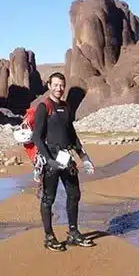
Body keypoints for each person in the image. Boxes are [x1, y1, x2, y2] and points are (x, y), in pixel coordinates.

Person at [31, 72, 96, 251]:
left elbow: (71, 133)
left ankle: (73, 232)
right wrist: (49, 161)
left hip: (66, 158)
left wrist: (84, 156)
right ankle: (49, 237)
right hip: (50, 158)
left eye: (62, 85)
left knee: (74, 194)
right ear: (49, 86)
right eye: (56, 85)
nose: (59, 88)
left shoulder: (66, 107)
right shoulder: (44, 107)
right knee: (48, 199)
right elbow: (36, 137)